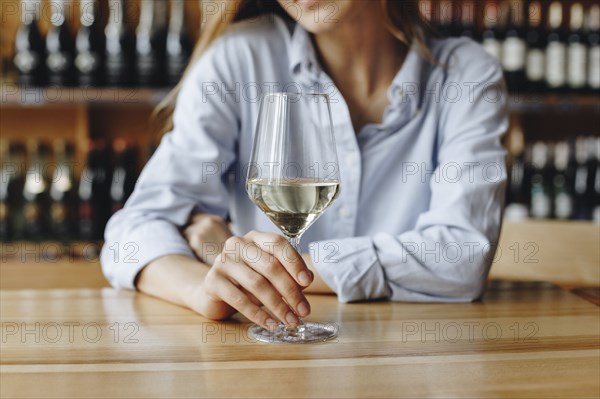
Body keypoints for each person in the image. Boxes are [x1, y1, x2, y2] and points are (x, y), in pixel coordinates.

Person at [101, 0, 508, 329]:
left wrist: (263, 272)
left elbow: (461, 257)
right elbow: (130, 236)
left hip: (411, 362)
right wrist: (208, 290)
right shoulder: (240, 59)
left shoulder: (466, 76)